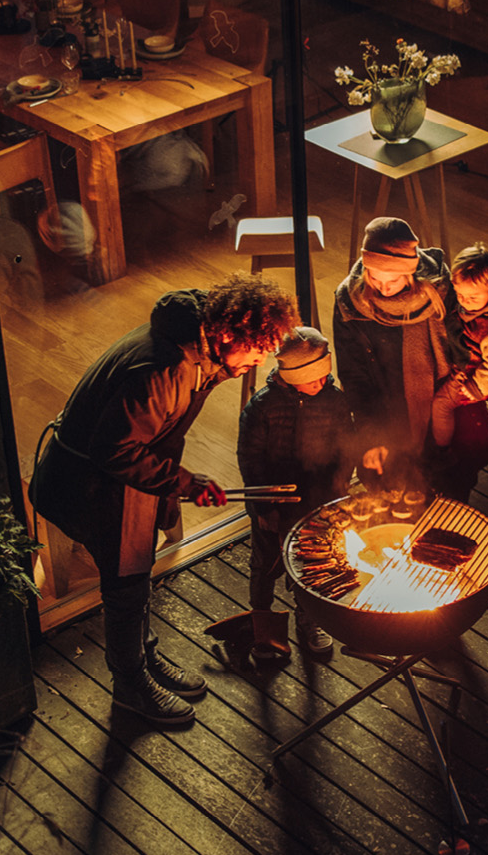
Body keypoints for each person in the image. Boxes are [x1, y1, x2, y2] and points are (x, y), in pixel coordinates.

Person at [29, 274, 296, 725]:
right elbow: (115, 450)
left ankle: (143, 657)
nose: (257, 362)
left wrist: (177, 485)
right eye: (256, 350)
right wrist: (184, 483)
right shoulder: (166, 367)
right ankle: (130, 685)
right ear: (230, 333)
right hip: (91, 487)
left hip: (121, 483)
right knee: (126, 589)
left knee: (137, 580)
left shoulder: (194, 341)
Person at [236, 327, 364, 661]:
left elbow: (346, 445)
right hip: (276, 503)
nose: (322, 381)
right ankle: (263, 626)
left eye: (324, 374)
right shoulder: (261, 407)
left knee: (312, 561)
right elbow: (250, 460)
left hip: (318, 499)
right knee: (265, 564)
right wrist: (264, 507)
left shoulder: (334, 399)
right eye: (313, 378)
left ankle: (309, 618)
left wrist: (339, 484)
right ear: (291, 375)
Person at [331, 216, 454, 490]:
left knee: (446, 487)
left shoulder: (440, 293)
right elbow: (354, 377)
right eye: (374, 278)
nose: (383, 288)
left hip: (438, 412)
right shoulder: (350, 303)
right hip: (384, 414)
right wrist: (372, 436)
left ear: (410, 273)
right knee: (386, 492)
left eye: (394, 280)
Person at [429, 242, 488, 498]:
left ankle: (442, 451)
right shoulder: (475, 305)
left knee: (441, 405)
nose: (464, 302)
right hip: (466, 370)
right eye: (460, 295)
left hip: (476, 380)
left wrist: (476, 386)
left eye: (472, 298)